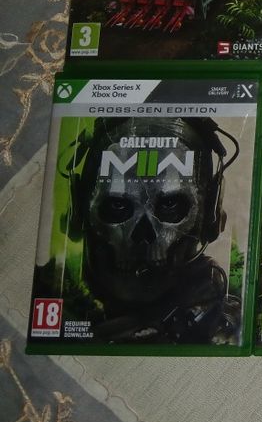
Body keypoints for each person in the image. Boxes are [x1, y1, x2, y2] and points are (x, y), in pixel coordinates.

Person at [48, 116, 240, 344]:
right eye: (117, 205)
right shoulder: (54, 303)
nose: (143, 236)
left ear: (211, 214)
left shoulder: (231, 326)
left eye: (170, 205)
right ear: (78, 211)